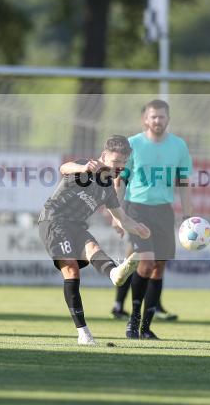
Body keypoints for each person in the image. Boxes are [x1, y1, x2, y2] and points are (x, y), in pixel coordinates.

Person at [38, 135, 150, 345]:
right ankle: (83, 333)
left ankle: (115, 273)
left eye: (123, 163)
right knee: (71, 268)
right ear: (103, 157)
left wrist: (138, 228)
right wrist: (82, 169)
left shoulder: (108, 188)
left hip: (77, 226)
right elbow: (64, 168)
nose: (119, 167)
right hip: (54, 221)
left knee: (93, 248)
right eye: (115, 162)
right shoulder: (86, 166)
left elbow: (122, 218)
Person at [112, 100, 193, 340]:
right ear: (145, 120)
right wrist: (118, 216)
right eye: (153, 117)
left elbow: (184, 184)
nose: (157, 121)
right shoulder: (133, 144)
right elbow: (121, 181)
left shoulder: (178, 146)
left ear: (168, 119)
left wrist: (189, 215)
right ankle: (133, 320)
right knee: (145, 263)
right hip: (137, 209)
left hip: (164, 212)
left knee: (158, 268)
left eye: (162, 117)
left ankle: (146, 327)